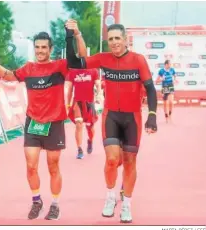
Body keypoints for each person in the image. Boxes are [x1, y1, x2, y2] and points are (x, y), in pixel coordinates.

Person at [0, 19, 86, 220]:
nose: (40, 51)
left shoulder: (60, 66)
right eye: (37, 47)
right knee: (31, 165)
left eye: (44, 48)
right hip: (33, 123)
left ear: (50, 49)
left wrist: (77, 33)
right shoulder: (28, 68)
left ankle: (55, 204)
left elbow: (82, 56)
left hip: (54, 123)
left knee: (53, 165)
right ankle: (36, 201)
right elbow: (9, 76)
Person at [65, 23, 158, 223]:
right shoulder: (102, 59)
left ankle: (127, 204)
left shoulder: (138, 60)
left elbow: (150, 89)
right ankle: (110, 197)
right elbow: (74, 62)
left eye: (118, 38)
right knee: (112, 160)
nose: (114, 42)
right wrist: (70, 35)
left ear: (125, 40)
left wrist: (152, 115)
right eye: (111, 39)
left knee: (130, 162)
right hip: (112, 117)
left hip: (132, 118)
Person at [65, 68, 103, 159]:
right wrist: (68, 104)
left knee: (90, 127)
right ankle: (79, 149)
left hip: (89, 103)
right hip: (77, 102)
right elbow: (69, 89)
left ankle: (90, 140)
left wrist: (98, 96)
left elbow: (98, 85)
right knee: (79, 124)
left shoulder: (93, 71)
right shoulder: (72, 71)